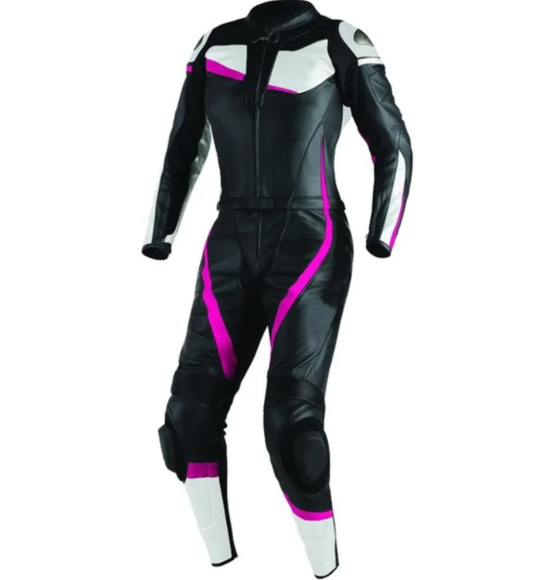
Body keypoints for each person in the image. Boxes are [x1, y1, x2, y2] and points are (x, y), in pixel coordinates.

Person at [143, 1, 412, 577]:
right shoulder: (214, 42)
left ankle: (324, 568)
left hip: (310, 242)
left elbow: (392, 142)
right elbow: (183, 144)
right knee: (187, 417)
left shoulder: (340, 40)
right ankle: (221, 563)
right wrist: (159, 232)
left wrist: (382, 231)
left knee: (291, 424)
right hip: (230, 239)